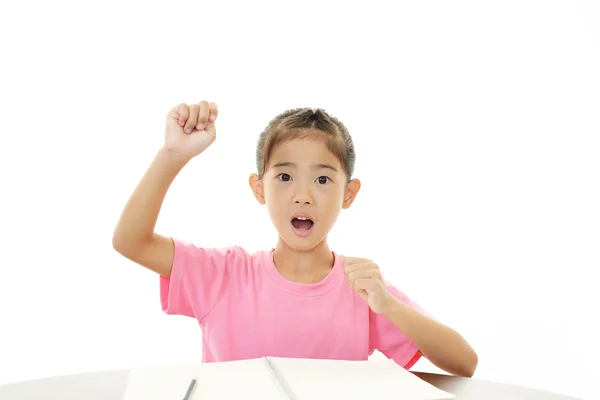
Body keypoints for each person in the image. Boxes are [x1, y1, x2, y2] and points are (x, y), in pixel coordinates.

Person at [112, 100, 478, 377]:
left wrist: (390, 307)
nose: (302, 195)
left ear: (348, 194)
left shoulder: (364, 290)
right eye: (285, 177)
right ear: (260, 188)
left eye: (322, 180)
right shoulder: (224, 274)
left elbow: (464, 363)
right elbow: (131, 242)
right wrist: (172, 155)